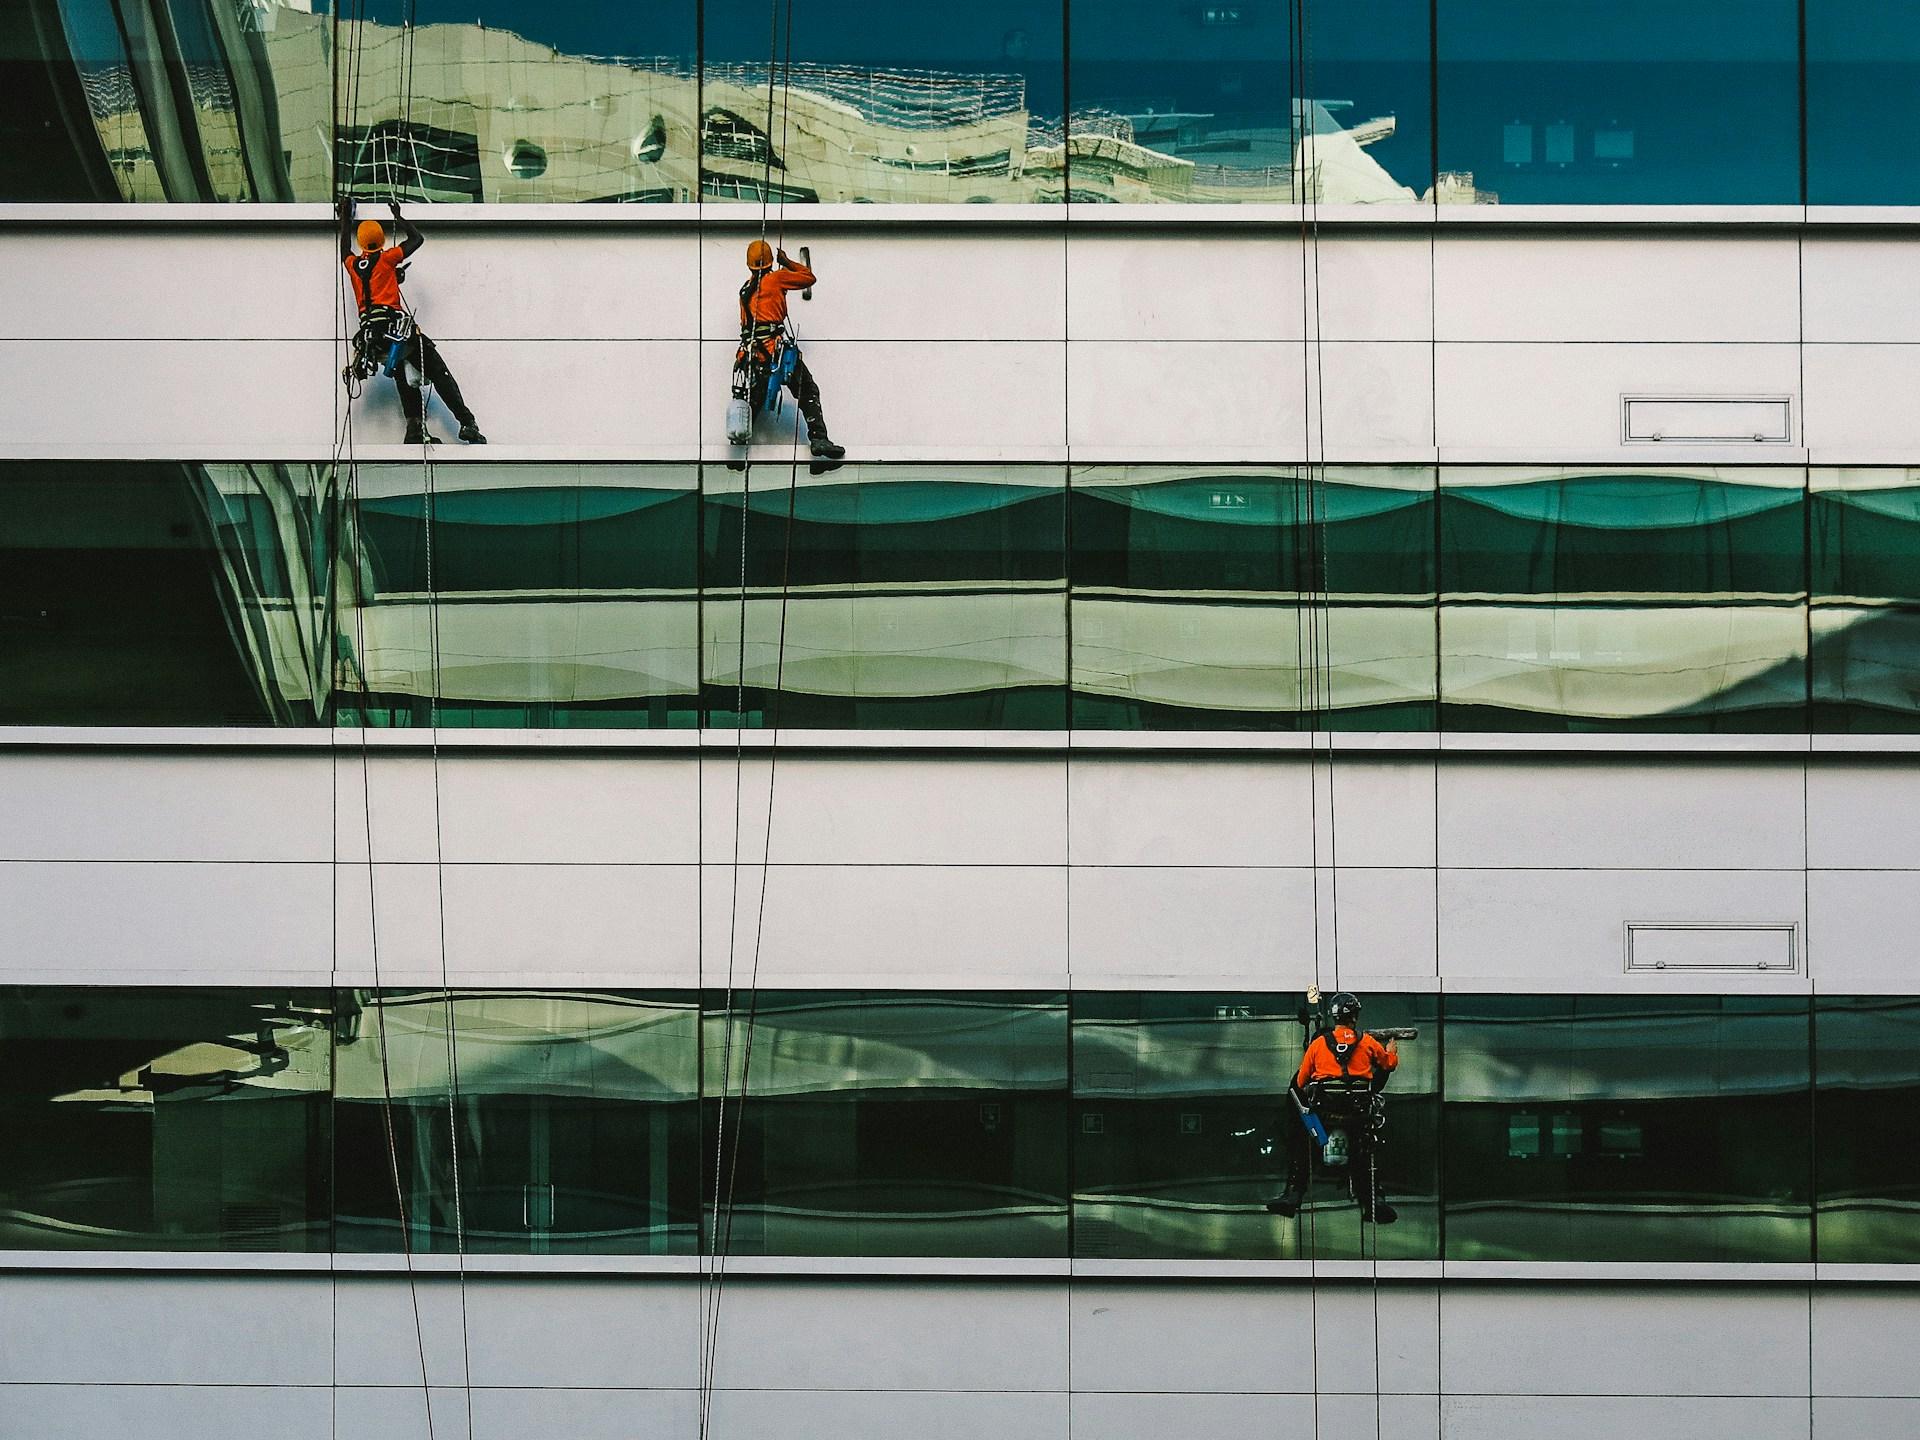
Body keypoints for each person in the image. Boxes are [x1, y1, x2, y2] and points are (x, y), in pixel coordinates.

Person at [338, 198, 486, 446]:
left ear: (362, 242)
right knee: (438, 371)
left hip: (372, 340)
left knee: (402, 376)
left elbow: (344, 249)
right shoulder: (386, 259)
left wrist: (345, 218)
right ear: (381, 241)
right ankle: (467, 423)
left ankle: (415, 430)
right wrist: (399, 217)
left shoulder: (353, 265)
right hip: (395, 331)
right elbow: (417, 240)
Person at [1266, 991, 1399, 1223]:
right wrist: (1391, 1051)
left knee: (1302, 1142)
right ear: (1354, 1017)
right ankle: (1375, 1201)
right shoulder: (1367, 1042)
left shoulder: (1318, 1045)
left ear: (1334, 1017)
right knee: (1365, 1152)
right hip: (1357, 1118)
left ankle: (1293, 1194)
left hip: (1322, 1120)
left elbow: (1299, 1082)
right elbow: (1388, 1064)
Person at [733, 239, 843, 470]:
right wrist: (787, 262)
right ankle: (819, 439)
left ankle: (738, 447)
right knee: (807, 390)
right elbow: (808, 278)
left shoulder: (745, 289)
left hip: (753, 356)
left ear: (749, 265)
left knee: (755, 399)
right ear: (770, 262)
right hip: (775, 352)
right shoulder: (776, 279)